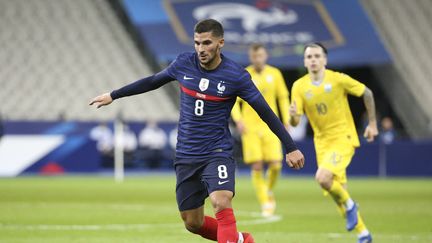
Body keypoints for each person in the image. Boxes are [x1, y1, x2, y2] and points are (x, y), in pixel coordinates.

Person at [89, 19, 304, 243]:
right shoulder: (183, 63)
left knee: (221, 201)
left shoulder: (236, 76)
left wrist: (290, 147)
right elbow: (153, 81)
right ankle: (241, 240)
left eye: (207, 43)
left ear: (221, 43)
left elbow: (265, 112)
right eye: (197, 43)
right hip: (186, 154)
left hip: (216, 151)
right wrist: (114, 95)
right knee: (193, 222)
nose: (201, 49)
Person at [289, 43, 377, 243]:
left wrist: (372, 124)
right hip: (321, 143)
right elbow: (295, 121)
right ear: (304, 61)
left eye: (317, 56)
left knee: (322, 178)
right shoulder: (299, 86)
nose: (313, 59)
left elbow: (367, 93)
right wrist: (293, 116)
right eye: (309, 56)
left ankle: (352, 205)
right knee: (339, 192)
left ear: (325, 60)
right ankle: (364, 234)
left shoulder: (338, 79)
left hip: (343, 137)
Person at [231, 43, 289, 217]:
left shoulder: (275, 74)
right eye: (255, 56)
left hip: (271, 125)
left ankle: (268, 191)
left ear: (266, 56)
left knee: (276, 164)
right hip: (251, 127)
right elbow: (234, 100)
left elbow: (283, 98)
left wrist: (285, 120)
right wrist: (238, 120)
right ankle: (266, 202)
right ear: (251, 57)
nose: (258, 59)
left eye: (261, 55)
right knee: (257, 164)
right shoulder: (244, 74)